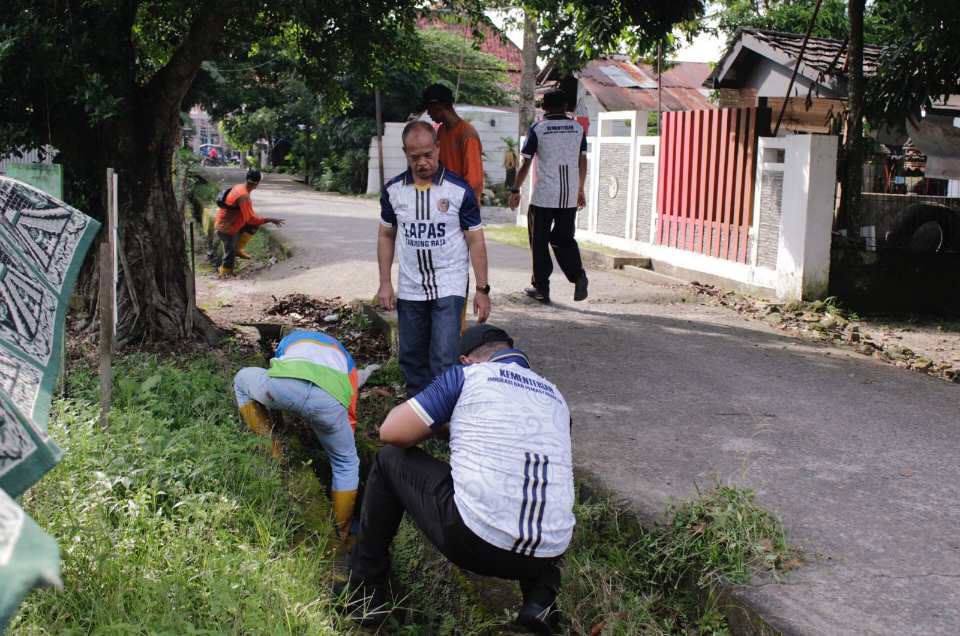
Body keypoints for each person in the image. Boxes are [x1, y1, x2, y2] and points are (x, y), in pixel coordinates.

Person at [338, 324, 575, 633]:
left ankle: (365, 597)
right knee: (537, 492)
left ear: (466, 359)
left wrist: (441, 422)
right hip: (545, 554)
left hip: (474, 539)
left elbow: (390, 432)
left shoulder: (469, 376)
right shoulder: (556, 397)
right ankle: (540, 610)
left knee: (389, 460)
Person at [377, 120, 491, 395]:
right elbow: (386, 235)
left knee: (442, 356)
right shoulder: (393, 191)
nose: (422, 162)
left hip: (448, 284)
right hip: (410, 286)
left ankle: (443, 420)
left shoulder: (458, 190)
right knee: (412, 358)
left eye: (428, 154)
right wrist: (385, 283)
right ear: (405, 153)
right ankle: (417, 417)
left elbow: (475, 240)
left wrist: (482, 289)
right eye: (415, 157)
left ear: (438, 148)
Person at [233, 329, 369, 547]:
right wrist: (339, 437)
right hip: (329, 403)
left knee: (240, 380)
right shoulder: (347, 360)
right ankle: (342, 532)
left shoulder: (289, 341)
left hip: (283, 389)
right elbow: (350, 409)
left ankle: (271, 445)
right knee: (346, 463)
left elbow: (276, 368)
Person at [509, 90, 589, 304]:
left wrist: (515, 189)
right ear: (565, 105)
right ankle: (578, 275)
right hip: (568, 196)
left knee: (539, 241)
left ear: (544, 107)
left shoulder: (539, 128)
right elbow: (582, 161)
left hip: (544, 196)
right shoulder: (578, 128)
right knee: (564, 239)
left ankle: (542, 288)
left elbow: (526, 162)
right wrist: (580, 189)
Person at [214, 168, 284, 277]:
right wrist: (269, 220)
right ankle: (225, 274)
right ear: (257, 184)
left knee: (253, 225)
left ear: (247, 179)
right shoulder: (244, 196)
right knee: (229, 254)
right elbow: (250, 219)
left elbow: (249, 215)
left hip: (223, 222)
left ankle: (238, 250)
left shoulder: (239, 187)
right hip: (227, 229)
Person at [421, 83, 484, 199]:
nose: (428, 113)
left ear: (438, 106)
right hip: (445, 202)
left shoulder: (467, 134)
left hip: (463, 205)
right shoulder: (441, 131)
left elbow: (474, 181)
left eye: (428, 108)